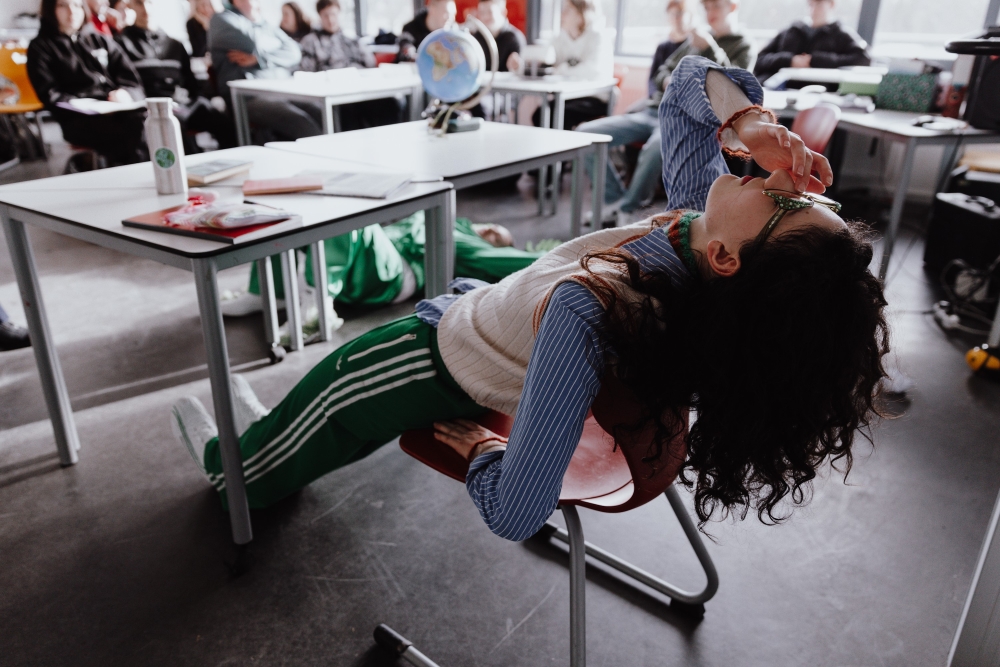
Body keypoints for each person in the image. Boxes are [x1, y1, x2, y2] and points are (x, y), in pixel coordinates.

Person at [171, 55, 889, 546]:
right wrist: (748, 121)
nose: (785, 177)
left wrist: (487, 450)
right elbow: (685, 86)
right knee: (344, 401)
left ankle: (230, 457)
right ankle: (273, 430)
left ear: (731, 258)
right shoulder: (702, 248)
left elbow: (516, 512)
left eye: (788, 202)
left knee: (289, 437)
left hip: (431, 361)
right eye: (808, 194)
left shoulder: (592, 307)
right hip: (485, 313)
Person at [221, 213, 547, 317]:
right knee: (293, 216)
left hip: (394, 272)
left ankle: (316, 303)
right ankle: (269, 293)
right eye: (495, 228)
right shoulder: (451, 219)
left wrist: (567, 256)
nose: (491, 232)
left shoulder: (465, 244)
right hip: (366, 259)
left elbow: (511, 261)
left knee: (349, 218)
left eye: (497, 238)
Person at [576, 0, 693, 220]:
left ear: (690, 16)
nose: (676, 18)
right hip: (650, 111)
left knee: (655, 149)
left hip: (675, 118)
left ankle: (628, 208)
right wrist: (662, 90)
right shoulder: (663, 47)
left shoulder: (697, 46)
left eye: (680, 13)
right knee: (585, 133)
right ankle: (614, 200)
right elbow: (653, 82)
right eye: (672, 14)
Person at [28, 0, 148, 166]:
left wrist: (126, 93)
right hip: (79, 120)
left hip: (119, 109)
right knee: (134, 128)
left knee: (154, 119)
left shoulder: (100, 40)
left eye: (77, 5)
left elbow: (133, 81)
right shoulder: (40, 48)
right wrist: (88, 105)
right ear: (50, 9)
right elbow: (50, 95)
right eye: (63, 6)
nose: (72, 12)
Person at [116, 0, 237, 149]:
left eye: (150, 2)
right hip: (152, 109)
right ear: (131, 6)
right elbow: (128, 84)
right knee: (177, 134)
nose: (146, 9)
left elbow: (191, 83)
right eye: (139, 3)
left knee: (225, 124)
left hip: (183, 104)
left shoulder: (175, 44)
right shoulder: (121, 44)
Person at [209, 0, 322, 142]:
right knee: (302, 123)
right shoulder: (222, 19)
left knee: (321, 112)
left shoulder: (261, 21)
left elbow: (294, 52)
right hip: (248, 97)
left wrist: (259, 58)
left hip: (279, 91)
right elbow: (252, 45)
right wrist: (275, 46)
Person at [297, 0, 401, 129]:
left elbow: (370, 63)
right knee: (348, 111)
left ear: (339, 14)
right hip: (334, 93)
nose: (330, 19)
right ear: (320, 16)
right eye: (326, 15)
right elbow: (306, 72)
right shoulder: (311, 41)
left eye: (333, 14)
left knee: (389, 103)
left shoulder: (351, 39)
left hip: (360, 88)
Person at [527, 0, 614, 130]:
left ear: (581, 14)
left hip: (595, 98)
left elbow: (591, 71)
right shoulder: (562, 37)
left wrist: (561, 69)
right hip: (568, 96)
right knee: (540, 114)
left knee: (562, 115)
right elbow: (548, 60)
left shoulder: (598, 37)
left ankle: (562, 143)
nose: (562, 14)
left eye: (567, 10)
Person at [753, 0, 871, 83]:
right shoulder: (791, 31)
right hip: (774, 88)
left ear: (831, 4)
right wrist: (789, 60)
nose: (813, 10)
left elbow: (863, 58)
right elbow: (759, 60)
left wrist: (815, 60)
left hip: (818, 92)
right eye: (811, 4)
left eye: (819, 4)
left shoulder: (842, 35)